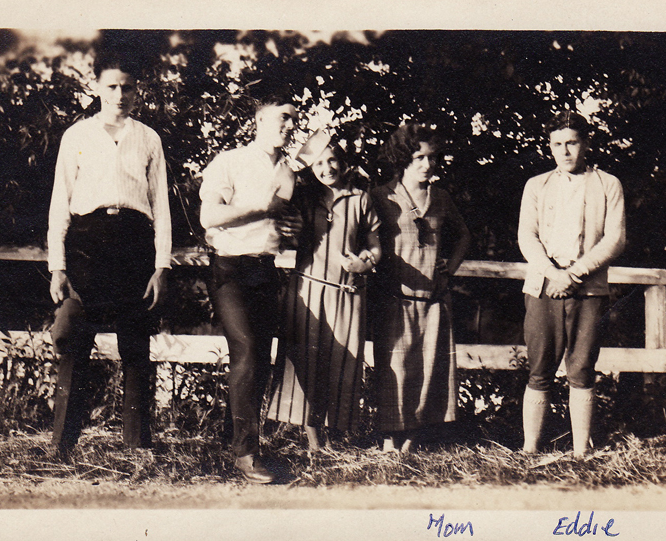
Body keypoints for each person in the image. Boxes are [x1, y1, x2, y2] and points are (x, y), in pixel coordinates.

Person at [47, 51, 172, 458]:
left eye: (128, 87)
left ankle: (138, 446)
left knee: (135, 342)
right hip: (88, 241)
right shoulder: (77, 136)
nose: (120, 94)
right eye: (112, 86)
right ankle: (62, 444)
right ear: (97, 88)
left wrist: (161, 266)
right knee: (76, 336)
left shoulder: (148, 138)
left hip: (135, 242)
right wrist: (57, 266)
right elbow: (59, 204)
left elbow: (162, 207)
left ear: (137, 91)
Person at [198, 97, 301, 483]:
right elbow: (209, 215)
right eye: (281, 117)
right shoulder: (231, 160)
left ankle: (234, 438)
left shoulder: (289, 173)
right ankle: (247, 455)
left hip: (265, 269)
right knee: (245, 350)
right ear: (259, 120)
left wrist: (294, 228)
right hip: (230, 268)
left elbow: (288, 226)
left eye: (293, 119)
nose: (288, 125)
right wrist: (263, 208)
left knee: (260, 359)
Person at [517, 111, 626, 458]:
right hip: (543, 286)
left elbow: (615, 239)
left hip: (588, 288)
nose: (564, 151)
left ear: (586, 144)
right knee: (539, 367)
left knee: (581, 368)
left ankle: (581, 452)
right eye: (557, 144)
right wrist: (554, 274)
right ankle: (530, 448)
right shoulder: (537, 185)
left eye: (572, 143)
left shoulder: (608, 184)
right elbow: (526, 237)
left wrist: (575, 274)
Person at [266, 130, 382, 451]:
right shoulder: (303, 199)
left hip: (346, 295)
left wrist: (364, 261)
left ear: (343, 163)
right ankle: (315, 442)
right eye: (319, 163)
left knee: (341, 366)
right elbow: (279, 209)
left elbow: (375, 246)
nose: (327, 167)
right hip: (308, 290)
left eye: (332, 160)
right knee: (306, 362)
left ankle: (334, 437)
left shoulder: (362, 199)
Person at [371, 123, 471, 454]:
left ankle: (413, 437)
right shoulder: (382, 196)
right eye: (419, 158)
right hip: (394, 299)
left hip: (434, 301)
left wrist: (451, 266)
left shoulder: (441, 198)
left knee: (428, 370)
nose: (427, 165)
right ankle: (389, 437)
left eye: (432, 157)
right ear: (403, 159)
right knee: (395, 371)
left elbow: (464, 236)